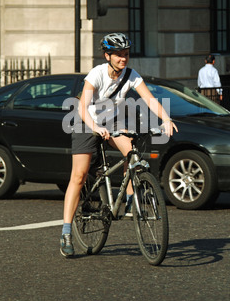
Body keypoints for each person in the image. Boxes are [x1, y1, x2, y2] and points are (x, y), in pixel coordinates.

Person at [60, 33, 178, 258]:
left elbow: (150, 99)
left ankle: (131, 200)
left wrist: (166, 118)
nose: (123, 59)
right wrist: (95, 126)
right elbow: (83, 107)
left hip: (113, 122)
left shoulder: (131, 75)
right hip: (86, 122)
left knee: (131, 152)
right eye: (118, 55)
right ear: (108, 56)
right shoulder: (97, 74)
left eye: (126, 54)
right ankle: (66, 232)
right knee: (79, 175)